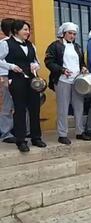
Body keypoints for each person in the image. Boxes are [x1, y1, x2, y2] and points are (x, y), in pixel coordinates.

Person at [0, 19, 46, 152]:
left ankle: (36, 137)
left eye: (28, 29)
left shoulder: (31, 45)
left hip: (31, 80)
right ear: (16, 31)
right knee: (19, 109)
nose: (28, 32)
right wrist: (11, 66)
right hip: (16, 79)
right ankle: (21, 140)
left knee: (34, 108)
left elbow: (36, 61)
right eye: (25, 29)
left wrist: (35, 65)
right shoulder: (6, 44)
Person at [44, 22, 91, 145]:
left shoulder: (77, 47)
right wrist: (62, 70)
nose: (72, 36)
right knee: (63, 108)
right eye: (70, 33)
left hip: (77, 81)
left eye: (74, 34)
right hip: (62, 80)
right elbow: (49, 61)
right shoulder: (55, 46)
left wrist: (83, 68)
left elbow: (81, 62)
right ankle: (62, 134)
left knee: (79, 106)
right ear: (64, 33)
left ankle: (79, 132)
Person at [0, 18, 16, 144]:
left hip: (19, 76)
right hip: (6, 76)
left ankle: (20, 129)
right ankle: (6, 133)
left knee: (21, 105)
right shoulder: (4, 43)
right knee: (7, 105)